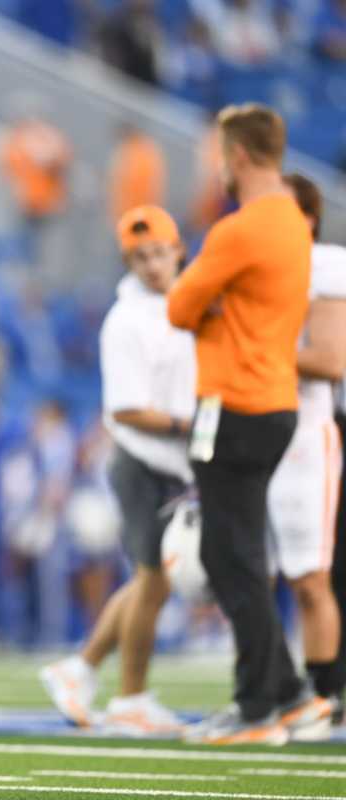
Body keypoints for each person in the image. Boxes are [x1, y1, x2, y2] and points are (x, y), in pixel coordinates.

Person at [167, 103, 329, 745]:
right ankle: (287, 693)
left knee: (228, 557)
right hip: (277, 401)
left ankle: (259, 705)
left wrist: (212, 307)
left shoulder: (240, 228)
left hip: (231, 403)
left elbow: (180, 305)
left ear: (236, 156)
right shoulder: (293, 219)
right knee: (240, 553)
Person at [40, 205, 195, 736]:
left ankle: (80, 668)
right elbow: (126, 407)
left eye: (159, 251)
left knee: (154, 579)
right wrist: (191, 425)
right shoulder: (127, 319)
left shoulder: (185, 303)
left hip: (172, 463)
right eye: (139, 256)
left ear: (178, 249)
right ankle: (131, 696)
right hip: (142, 461)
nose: (152, 264)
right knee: (153, 579)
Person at [274, 173, 346, 729]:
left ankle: (327, 692)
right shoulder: (256, 264)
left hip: (318, 425)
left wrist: (251, 343)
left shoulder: (326, 265)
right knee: (267, 574)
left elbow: (330, 360)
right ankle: (290, 689)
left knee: (323, 571)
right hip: (267, 425)